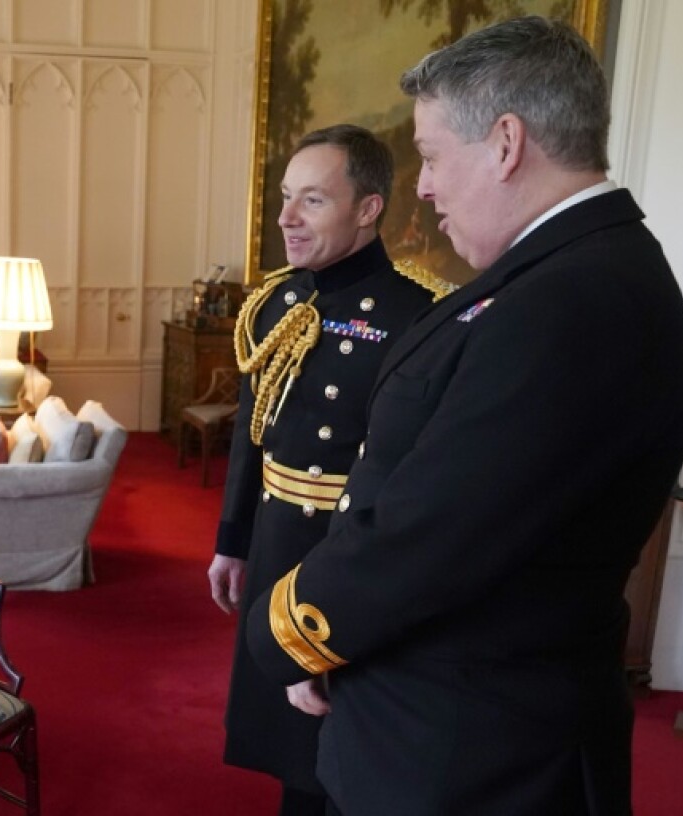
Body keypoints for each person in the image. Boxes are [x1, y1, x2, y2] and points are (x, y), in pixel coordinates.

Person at [244, 17, 683, 816]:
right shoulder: (569, 273)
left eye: (430, 154)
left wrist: (284, 634)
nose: (422, 186)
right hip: (453, 730)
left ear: (505, 143)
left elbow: (431, 533)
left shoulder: (568, 303)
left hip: (470, 755)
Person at [208, 124, 451, 815]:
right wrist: (233, 539)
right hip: (279, 542)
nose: (285, 218)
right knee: (287, 736)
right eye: (287, 198)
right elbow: (251, 437)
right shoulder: (276, 302)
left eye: (310, 201)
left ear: (368, 208)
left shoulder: (418, 314)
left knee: (343, 742)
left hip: (349, 552)